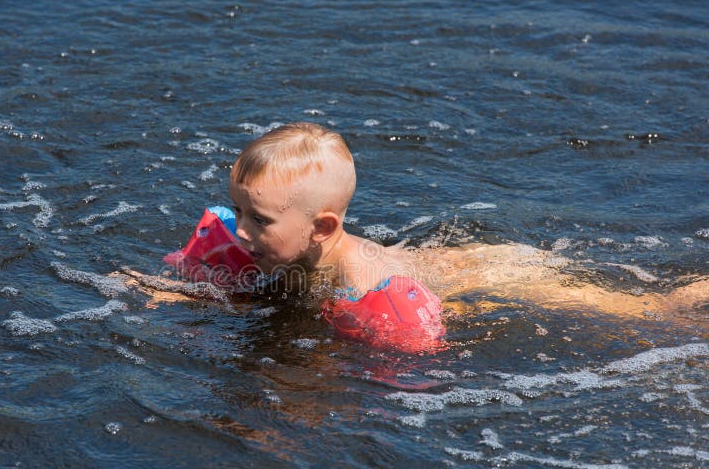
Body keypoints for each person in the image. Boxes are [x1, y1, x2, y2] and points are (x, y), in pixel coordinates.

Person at [118, 122, 708, 349]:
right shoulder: (289, 246)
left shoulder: (358, 277)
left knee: (640, 310)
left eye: (260, 221)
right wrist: (174, 293)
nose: (240, 231)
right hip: (440, 258)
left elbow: (422, 348)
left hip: (484, 274)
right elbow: (261, 291)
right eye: (237, 211)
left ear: (322, 227)